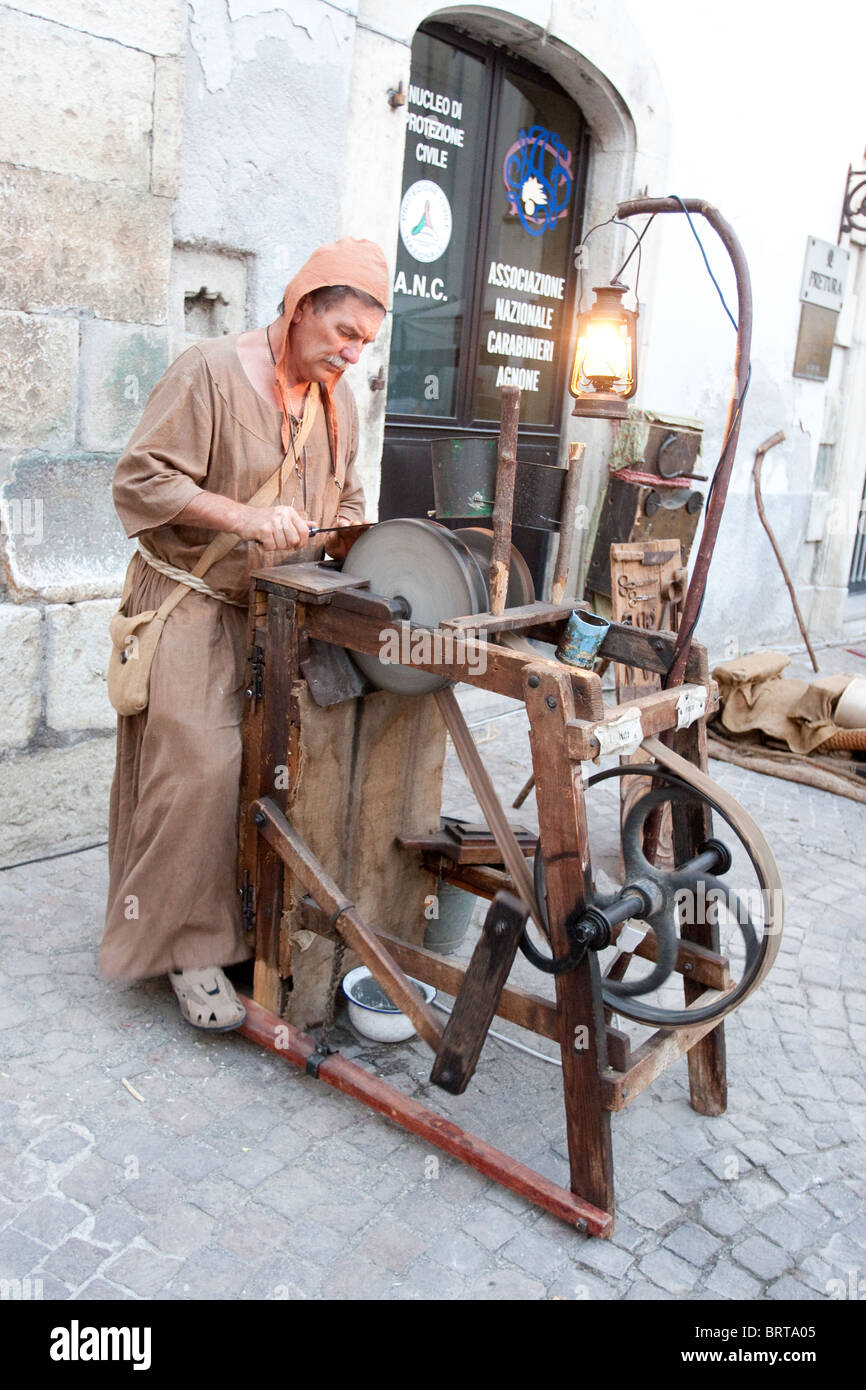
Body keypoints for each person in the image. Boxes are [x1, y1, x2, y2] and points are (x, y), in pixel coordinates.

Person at [101, 238, 389, 1030]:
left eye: (366, 341)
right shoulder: (209, 372)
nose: (353, 354)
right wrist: (248, 517)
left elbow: (352, 497)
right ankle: (184, 951)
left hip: (282, 612)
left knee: (277, 768)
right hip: (193, 597)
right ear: (299, 311)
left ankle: (244, 926)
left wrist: (367, 544)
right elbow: (141, 477)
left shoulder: (340, 402)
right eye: (342, 333)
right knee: (198, 765)